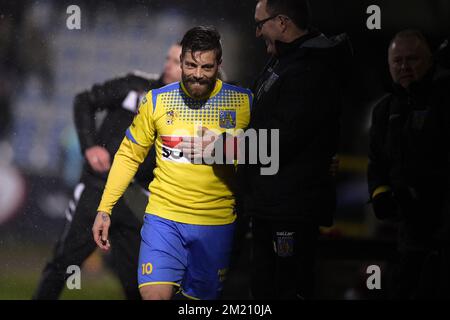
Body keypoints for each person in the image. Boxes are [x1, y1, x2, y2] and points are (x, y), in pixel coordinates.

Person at [92, 26, 252, 300]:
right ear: (181, 62)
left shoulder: (243, 102)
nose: (198, 74)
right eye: (190, 65)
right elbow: (129, 155)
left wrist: (222, 147)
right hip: (163, 219)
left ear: (219, 65)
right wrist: (104, 208)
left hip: (215, 224)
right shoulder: (157, 101)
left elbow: (270, 153)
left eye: (206, 66)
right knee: (153, 296)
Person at [33, 44, 182, 300]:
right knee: (64, 262)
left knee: (139, 280)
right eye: (168, 58)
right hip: (99, 187)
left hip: (138, 197)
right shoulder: (136, 85)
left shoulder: (190, 110)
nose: (169, 64)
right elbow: (84, 100)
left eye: (178, 61)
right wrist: (89, 146)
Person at [243, 0, 352, 299]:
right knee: (265, 289)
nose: (256, 32)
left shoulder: (311, 68)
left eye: (260, 23)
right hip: (271, 203)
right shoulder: (286, 59)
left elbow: (282, 139)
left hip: (290, 208)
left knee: (287, 290)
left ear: (281, 23)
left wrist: (224, 148)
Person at [368, 30, 450, 299]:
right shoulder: (385, 110)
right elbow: (377, 162)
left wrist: (423, 191)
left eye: (412, 60)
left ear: (429, 60)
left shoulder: (445, 100)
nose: (404, 67)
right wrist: (381, 194)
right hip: (407, 231)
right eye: (397, 61)